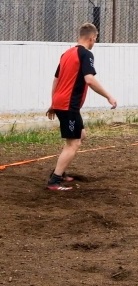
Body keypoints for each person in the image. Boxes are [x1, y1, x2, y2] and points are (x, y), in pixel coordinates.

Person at [46, 23, 117, 191]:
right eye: (95, 39)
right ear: (92, 38)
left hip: (63, 103)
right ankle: (55, 180)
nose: (94, 42)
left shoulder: (66, 54)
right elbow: (89, 79)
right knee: (74, 143)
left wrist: (53, 102)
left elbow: (56, 79)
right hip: (68, 105)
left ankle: (60, 172)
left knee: (81, 135)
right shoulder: (86, 54)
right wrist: (109, 96)